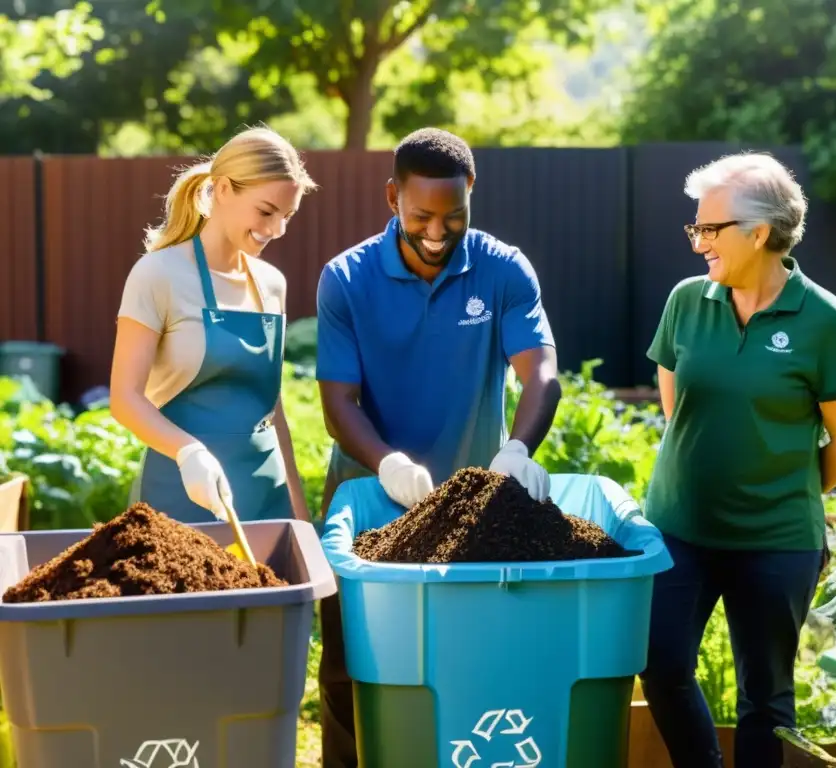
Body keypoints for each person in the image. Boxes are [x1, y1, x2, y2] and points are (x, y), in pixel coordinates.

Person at [314, 127, 562, 767]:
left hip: (472, 506)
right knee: (352, 666)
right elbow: (338, 402)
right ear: (392, 195)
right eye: (421, 214)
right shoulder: (347, 278)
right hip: (369, 498)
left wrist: (517, 450)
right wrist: (387, 463)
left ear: (471, 192)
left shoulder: (502, 269)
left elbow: (541, 372)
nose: (436, 230)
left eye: (453, 215)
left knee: (467, 658)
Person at [639, 152, 836, 768]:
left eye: (709, 229)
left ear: (760, 232)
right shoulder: (688, 301)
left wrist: (782, 488)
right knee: (659, 664)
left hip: (776, 542)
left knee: (766, 701)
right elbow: (676, 402)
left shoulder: (825, 320)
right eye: (696, 229)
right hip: (679, 530)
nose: (698, 244)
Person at [110, 126, 317, 524]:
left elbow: (273, 408)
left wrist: (300, 518)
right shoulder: (158, 274)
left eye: (287, 216)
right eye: (266, 211)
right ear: (223, 189)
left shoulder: (272, 283)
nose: (276, 230)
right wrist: (190, 453)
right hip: (182, 492)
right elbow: (124, 399)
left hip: (266, 500)